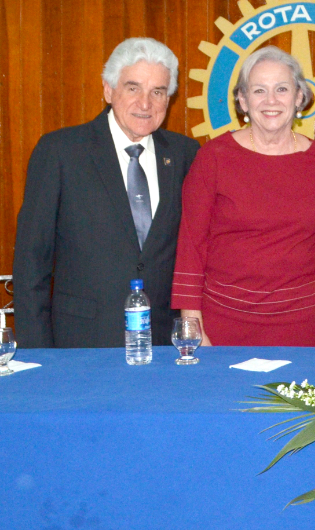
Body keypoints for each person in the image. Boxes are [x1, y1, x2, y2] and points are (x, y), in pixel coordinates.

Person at [14, 38, 200, 348]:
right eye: (133, 88)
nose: (145, 104)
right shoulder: (61, 152)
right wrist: (38, 358)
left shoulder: (186, 154)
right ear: (107, 90)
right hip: (81, 344)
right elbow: (31, 262)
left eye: (157, 92)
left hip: (165, 346)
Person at [171, 46, 315, 346]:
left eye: (282, 89)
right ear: (242, 100)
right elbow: (191, 245)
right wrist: (192, 326)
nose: (271, 101)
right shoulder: (213, 158)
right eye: (259, 90)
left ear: (300, 97)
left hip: (302, 325)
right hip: (222, 323)